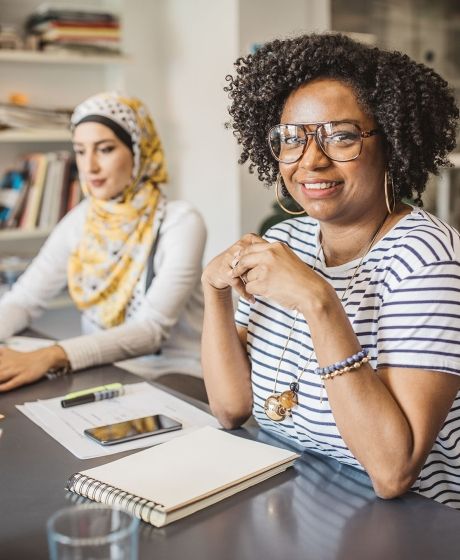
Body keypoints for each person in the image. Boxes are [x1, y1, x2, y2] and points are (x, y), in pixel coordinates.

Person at [201, 33, 460, 508]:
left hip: (414, 528)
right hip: (302, 502)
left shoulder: (426, 257)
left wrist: (319, 302)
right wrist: (213, 292)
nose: (311, 161)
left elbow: (393, 471)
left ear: (392, 142)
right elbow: (231, 408)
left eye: (341, 136)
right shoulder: (285, 241)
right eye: (293, 139)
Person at [0, 91, 206, 395]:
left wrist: (53, 355)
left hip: (174, 374)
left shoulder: (180, 222)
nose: (89, 166)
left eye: (105, 149)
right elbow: (24, 299)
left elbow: (151, 330)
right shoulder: (81, 219)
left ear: (138, 152)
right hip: (104, 372)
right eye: (80, 151)